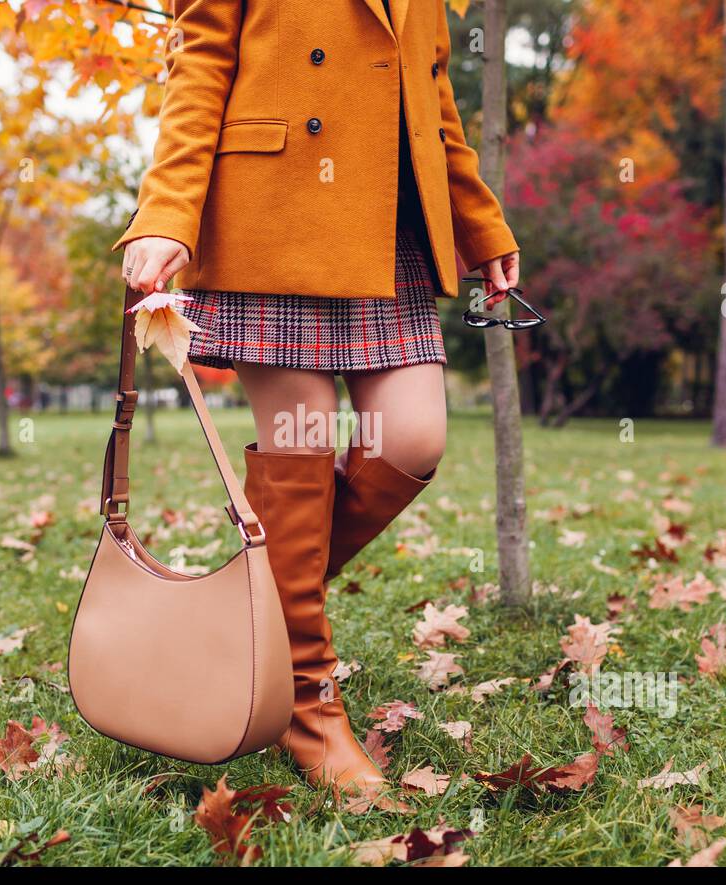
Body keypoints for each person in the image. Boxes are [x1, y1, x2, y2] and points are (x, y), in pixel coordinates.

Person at [115, 0, 519, 800]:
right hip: (275, 213)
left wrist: (482, 226)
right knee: (299, 446)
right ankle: (309, 706)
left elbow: (433, 98)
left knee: (412, 440)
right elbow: (199, 68)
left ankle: (239, 627)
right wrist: (166, 213)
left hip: (390, 228)